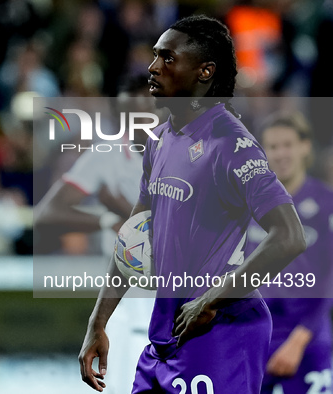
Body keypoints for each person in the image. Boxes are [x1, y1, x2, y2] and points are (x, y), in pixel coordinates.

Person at [78, 15, 306, 393]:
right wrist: (98, 321)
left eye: (167, 58)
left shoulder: (232, 145)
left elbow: (289, 236)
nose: (152, 67)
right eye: (154, 56)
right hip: (167, 334)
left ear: (205, 72)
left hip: (221, 335)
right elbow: (134, 238)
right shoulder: (160, 139)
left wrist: (211, 299)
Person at [35, 78, 155, 394]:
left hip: (177, 300)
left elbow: (167, 225)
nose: (141, 117)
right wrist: (105, 219)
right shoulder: (108, 155)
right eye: (131, 111)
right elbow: (46, 214)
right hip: (123, 305)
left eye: (148, 107)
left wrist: (122, 211)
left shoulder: (187, 154)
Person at [245, 113, 333, 394]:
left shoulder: (327, 204)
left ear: (305, 146)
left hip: (309, 338)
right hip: (255, 338)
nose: (281, 153)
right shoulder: (246, 206)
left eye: (288, 144)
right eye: (272, 146)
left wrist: (298, 341)